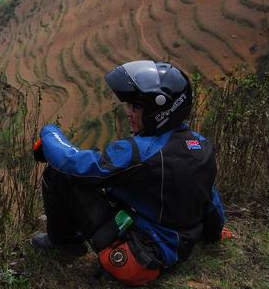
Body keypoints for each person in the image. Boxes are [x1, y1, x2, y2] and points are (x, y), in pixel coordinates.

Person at [30, 60, 225, 286]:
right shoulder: (202, 146)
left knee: (59, 174)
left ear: (158, 110)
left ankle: (64, 244)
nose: (129, 113)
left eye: (136, 106)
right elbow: (209, 197)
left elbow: (73, 163)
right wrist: (214, 233)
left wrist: (49, 133)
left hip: (141, 255)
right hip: (181, 245)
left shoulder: (141, 151)